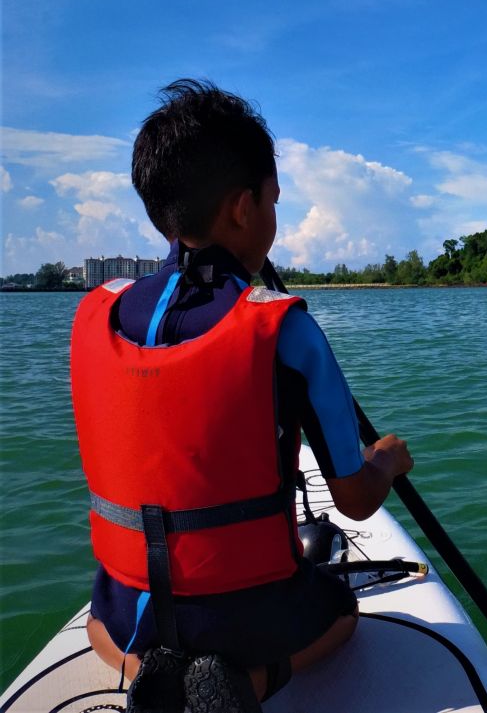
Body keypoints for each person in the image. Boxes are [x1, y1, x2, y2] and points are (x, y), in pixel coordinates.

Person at [70, 79, 413, 712]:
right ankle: (243, 685)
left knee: (95, 621)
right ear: (242, 208)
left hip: (128, 615)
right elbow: (357, 501)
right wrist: (388, 460)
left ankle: (150, 667)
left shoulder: (103, 313)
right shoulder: (286, 327)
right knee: (343, 615)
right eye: (273, 202)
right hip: (248, 622)